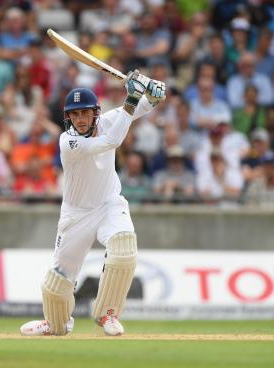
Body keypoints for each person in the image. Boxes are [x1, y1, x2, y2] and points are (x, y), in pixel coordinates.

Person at [19, 70, 166, 336]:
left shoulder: (109, 120)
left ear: (95, 112)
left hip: (109, 205)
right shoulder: (68, 142)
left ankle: (108, 313)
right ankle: (55, 324)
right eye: (74, 115)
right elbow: (113, 141)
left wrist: (154, 95)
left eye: (85, 113)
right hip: (76, 215)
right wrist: (133, 96)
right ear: (68, 118)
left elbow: (138, 109)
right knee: (57, 282)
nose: (80, 119)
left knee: (123, 249)